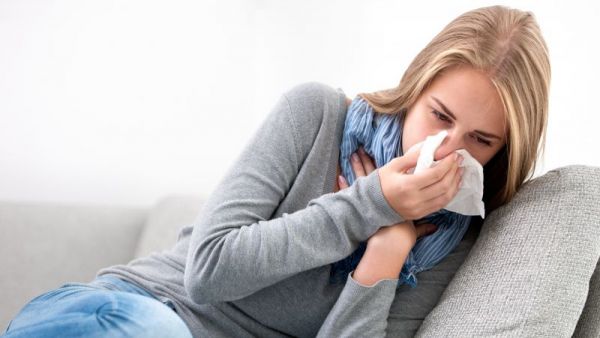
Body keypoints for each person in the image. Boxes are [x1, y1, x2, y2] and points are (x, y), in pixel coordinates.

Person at [3, 4, 550, 338]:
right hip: (126, 312)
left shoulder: (449, 240)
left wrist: (387, 247)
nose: (446, 148)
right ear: (415, 89)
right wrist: (368, 205)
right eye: (439, 115)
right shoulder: (315, 114)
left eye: (479, 140)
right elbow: (209, 271)